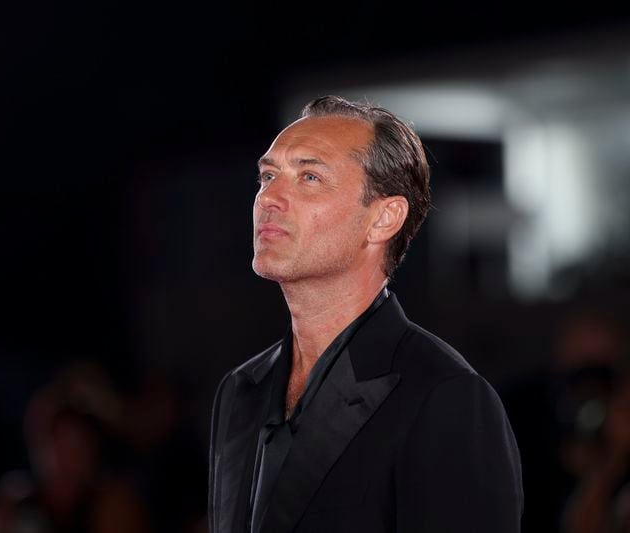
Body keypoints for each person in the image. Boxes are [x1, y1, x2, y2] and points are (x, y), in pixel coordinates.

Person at [207, 95, 523, 533]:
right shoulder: (240, 390)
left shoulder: (445, 396)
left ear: (384, 218)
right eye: (268, 175)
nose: (269, 197)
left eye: (310, 176)